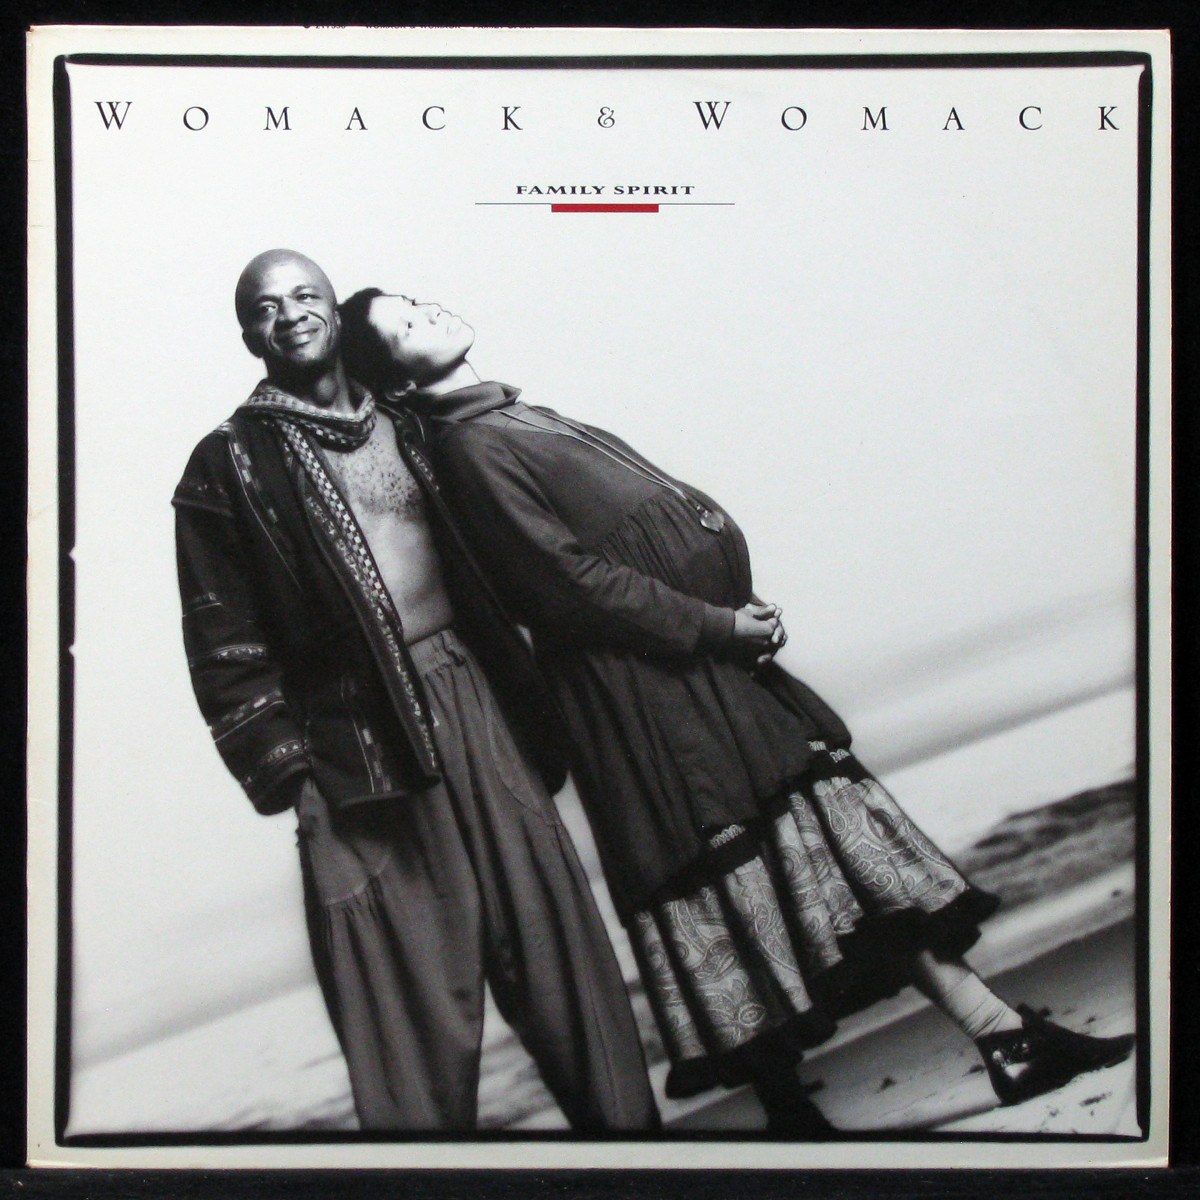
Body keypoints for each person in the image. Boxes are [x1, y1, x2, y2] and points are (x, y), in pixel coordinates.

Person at [338, 285, 1137, 1136]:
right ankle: (836, 1097)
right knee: (749, 869)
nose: (430, 310)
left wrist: (725, 607)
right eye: (407, 323)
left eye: (418, 299)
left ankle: (995, 1039)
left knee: (824, 857)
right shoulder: (471, 449)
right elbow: (565, 585)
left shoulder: (508, 416)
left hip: (691, 668)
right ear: (399, 381)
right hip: (648, 692)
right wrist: (717, 626)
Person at [172, 250, 659, 1132]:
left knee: (560, 957)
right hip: (354, 744)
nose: (290, 313)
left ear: (334, 309)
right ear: (250, 336)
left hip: (481, 701)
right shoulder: (226, 464)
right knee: (407, 1013)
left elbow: (521, 523)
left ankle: (631, 1160)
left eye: (306, 295)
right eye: (267, 307)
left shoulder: (411, 421)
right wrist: (295, 781)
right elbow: (221, 638)